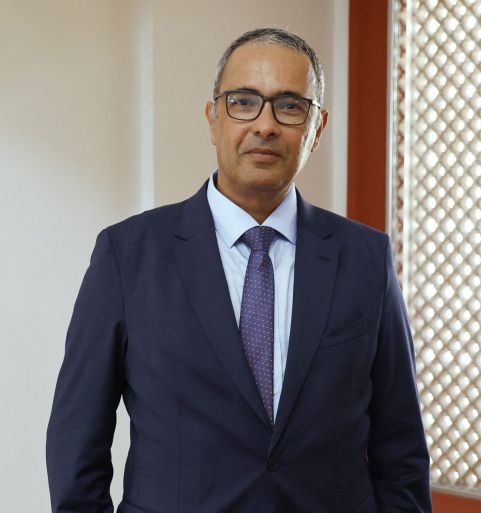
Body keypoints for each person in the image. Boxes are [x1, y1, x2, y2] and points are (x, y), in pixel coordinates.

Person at [46, 27, 431, 513]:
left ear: (317, 128)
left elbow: (401, 448)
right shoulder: (127, 255)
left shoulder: (365, 259)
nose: (265, 125)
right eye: (243, 101)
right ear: (212, 118)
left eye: (290, 106)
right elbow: (76, 441)